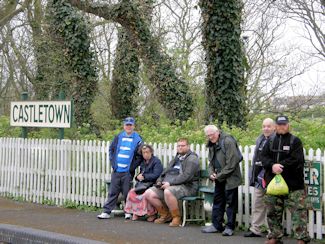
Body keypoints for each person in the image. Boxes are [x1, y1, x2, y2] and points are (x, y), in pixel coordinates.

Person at [261, 115, 310, 244]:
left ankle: (302, 239)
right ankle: (275, 237)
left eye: (284, 124)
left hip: (294, 185)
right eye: (279, 124)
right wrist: (272, 166)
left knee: (298, 212)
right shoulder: (270, 141)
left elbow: (297, 160)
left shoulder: (295, 141)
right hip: (273, 184)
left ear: (288, 125)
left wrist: (281, 166)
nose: (282, 127)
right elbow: (263, 157)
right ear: (276, 126)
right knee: (272, 211)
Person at [145, 138, 199, 227]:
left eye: (183, 145)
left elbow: (186, 176)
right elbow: (165, 172)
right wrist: (159, 181)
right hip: (171, 184)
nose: (180, 147)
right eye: (178, 146)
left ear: (188, 147)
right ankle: (165, 215)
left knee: (168, 191)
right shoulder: (176, 158)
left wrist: (170, 184)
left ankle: (176, 218)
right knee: (149, 193)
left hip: (187, 186)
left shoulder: (192, 159)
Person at [97, 117, 143, 220]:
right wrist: (114, 164)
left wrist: (132, 167)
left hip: (127, 171)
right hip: (117, 170)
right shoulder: (118, 136)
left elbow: (139, 156)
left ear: (133, 126)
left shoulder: (138, 139)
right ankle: (106, 212)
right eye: (127, 125)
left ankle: (128, 212)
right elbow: (111, 149)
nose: (128, 127)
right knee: (113, 191)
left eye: (130, 125)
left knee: (127, 192)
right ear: (124, 126)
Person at [201, 125, 242, 236]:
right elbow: (211, 162)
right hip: (219, 177)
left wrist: (219, 176)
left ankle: (229, 227)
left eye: (212, 134)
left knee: (231, 204)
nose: (210, 137)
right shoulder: (211, 144)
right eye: (208, 135)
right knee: (218, 201)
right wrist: (211, 173)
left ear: (218, 132)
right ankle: (216, 225)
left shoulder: (228, 141)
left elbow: (232, 163)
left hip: (231, 178)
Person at [244, 118, 275, 238]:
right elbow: (255, 158)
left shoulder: (277, 140)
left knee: (271, 205)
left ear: (274, 127)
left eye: (268, 126)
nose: (266, 128)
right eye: (264, 126)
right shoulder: (260, 139)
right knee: (257, 204)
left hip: (271, 178)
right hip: (259, 177)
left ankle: (272, 232)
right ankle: (255, 229)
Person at [124, 144, 163, 221]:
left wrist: (144, 176)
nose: (145, 154)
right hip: (143, 184)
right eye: (143, 152)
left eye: (147, 152)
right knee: (132, 192)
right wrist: (137, 177)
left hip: (152, 184)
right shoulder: (143, 162)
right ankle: (136, 213)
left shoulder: (156, 161)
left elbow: (157, 174)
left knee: (145, 194)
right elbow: (140, 174)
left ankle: (151, 214)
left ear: (151, 152)